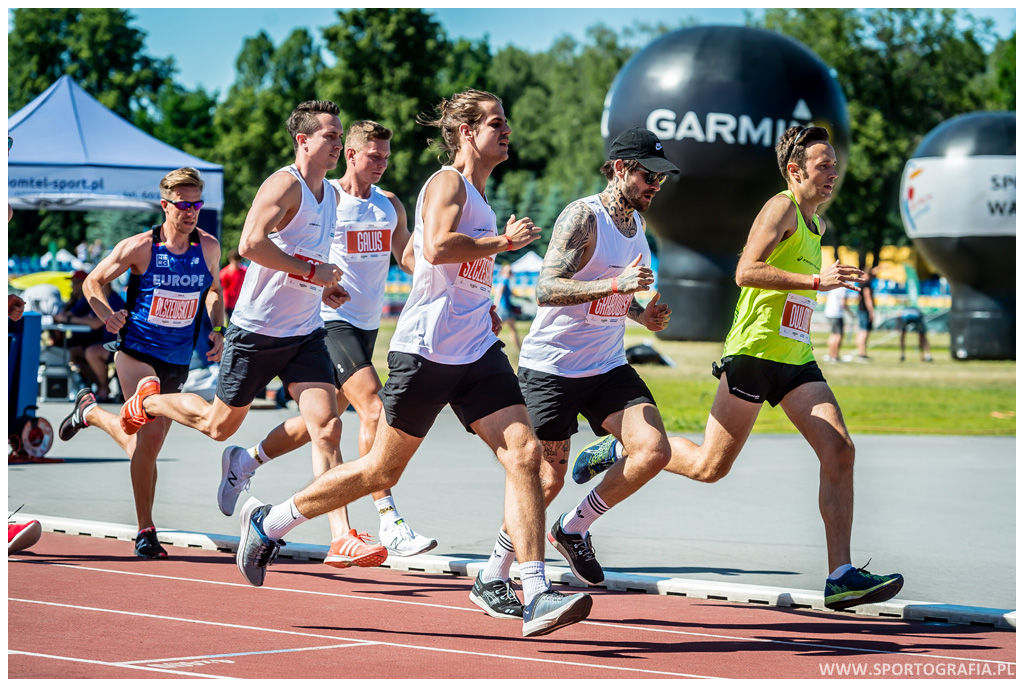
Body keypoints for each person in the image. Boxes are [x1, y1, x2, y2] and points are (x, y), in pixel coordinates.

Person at [231, 89, 592, 639]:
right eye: (497, 122)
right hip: (426, 351)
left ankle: (533, 589)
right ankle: (271, 521)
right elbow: (439, 248)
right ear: (467, 132)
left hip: (474, 350)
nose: (507, 130)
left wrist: (485, 302)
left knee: (527, 456)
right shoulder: (447, 182)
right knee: (381, 470)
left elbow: (450, 268)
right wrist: (502, 242)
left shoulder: (480, 196)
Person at [573, 126, 904, 612]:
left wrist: (815, 287)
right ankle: (625, 443)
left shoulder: (818, 225)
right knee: (710, 466)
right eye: (823, 165)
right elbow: (746, 270)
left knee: (840, 449)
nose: (833, 172)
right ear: (795, 171)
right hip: (752, 355)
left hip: (795, 357)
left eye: (835, 164)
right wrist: (816, 280)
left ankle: (841, 575)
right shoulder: (781, 207)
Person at [116, 101, 392, 570]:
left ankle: (340, 535)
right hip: (257, 331)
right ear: (303, 140)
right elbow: (250, 244)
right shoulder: (284, 184)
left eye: (339, 134)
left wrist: (324, 287)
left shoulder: (329, 195)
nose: (337, 143)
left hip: (305, 332)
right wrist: (313, 270)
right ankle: (151, 403)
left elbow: (304, 262)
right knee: (218, 426)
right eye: (329, 135)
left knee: (327, 425)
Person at [473, 127, 677, 606]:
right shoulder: (583, 217)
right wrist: (614, 287)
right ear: (622, 168)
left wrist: (642, 313)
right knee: (544, 480)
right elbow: (547, 289)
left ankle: (573, 527)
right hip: (553, 369)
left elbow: (620, 294)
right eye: (650, 175)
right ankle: (492, 574)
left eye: (663, 180)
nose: (656, 186)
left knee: (653, 450)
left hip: (606, 366)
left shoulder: (638, 229)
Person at [218, 120, 434, 558]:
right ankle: (387, 517)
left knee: (323, 423)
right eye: (373, 155)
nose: (381, 164)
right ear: (351, 154)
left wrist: (455, 260)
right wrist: (316, 279)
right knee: (374, 408)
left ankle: (246, 461)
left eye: (386, 157)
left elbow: (408, 257)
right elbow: (280, 244)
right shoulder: (328, 197)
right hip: (330, 321)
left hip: (367, 325)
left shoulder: (390, 205)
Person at [57, 167, 225, 559]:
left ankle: (92, 413)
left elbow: (212, 290)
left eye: (196, 204)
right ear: (165, 205)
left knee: (142, 447)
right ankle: (145, 530)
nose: (190, 211)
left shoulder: (210, 248)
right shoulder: (141, 247)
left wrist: (217, 326)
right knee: (148, 438)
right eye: (183, 205)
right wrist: (105, 314)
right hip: (136, 353)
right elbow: (93, 282)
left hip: (177, 361)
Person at [54, 274, 126, 402]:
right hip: (107, 342)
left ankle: (103, 388)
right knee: (74, 354)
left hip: (120, 343)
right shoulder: (102, 299)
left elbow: (95, 323)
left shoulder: (113, 300)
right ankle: (100, 385)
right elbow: (89, 319)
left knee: (92, 352)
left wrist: (69, 318)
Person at [493, 262, 521, 350]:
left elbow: (509, 293)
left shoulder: (505, 281)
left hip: (506, 309)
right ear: (503, 272)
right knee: (496, 329)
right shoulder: (504, 280)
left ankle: (519, 349)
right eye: (508, 271)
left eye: (510, 271)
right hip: (503, 309)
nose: (510, 273)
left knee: (509, 329)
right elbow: (498, 293)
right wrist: (496, 306)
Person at [854, 267, 878, 362]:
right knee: (864, 331)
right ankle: (862, 354)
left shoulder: (861, 283)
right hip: (865, 310)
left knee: (861, 330)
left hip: (860, 309)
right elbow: (868, 298)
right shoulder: (867, 284)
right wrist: (871, 311)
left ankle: (861, 352)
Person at [822, 285, 850, 363]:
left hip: (829, 312)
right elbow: (843, 302)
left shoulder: (834, 285)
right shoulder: (842, 287)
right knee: (838, 335)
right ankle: (835, 356)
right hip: (836, 313)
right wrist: (850, 313)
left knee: (833, 334)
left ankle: (831, 355)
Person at [219, 249, 247, 321]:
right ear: (231, 260)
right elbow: (220, 290)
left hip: (240, 303)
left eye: (239, 261)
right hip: (228, 304)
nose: (237, 263)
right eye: (235, 261)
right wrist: (221, 305)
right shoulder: (225, 273)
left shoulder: (244, 272)